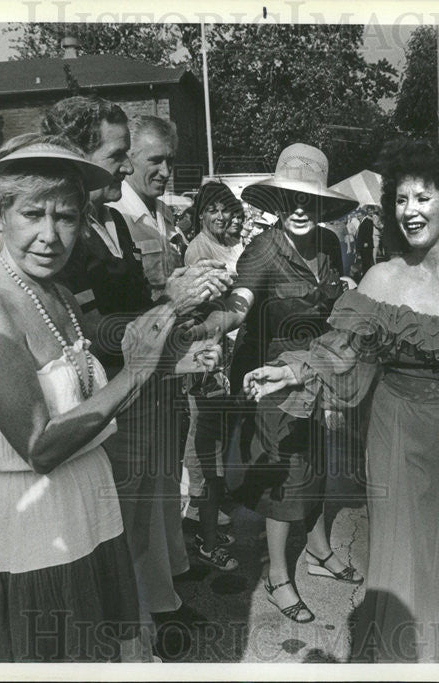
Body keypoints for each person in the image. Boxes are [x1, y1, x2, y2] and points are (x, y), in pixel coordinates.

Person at [243, 138, 439, 662]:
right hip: (395, 433)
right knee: (403, 559)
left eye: (423, 198)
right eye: (401, 200)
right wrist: (288, 371)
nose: (410, 211)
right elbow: (341, 351)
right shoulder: (382, 278)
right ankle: (409, 660)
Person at [0, 135, 193, 662]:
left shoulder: (54, 292)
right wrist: (137, 373)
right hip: (34, 528)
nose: (49, 235)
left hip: (87, 509)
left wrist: (170, 358)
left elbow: (90, 394)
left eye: (65, 217)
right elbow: (38, 446)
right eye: (31, 214)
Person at [41, 96, 230, 656]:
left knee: (148, 502)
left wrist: (173, 316)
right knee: (120, 516)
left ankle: (151, 607)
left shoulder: (112, 223)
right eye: (118, 155)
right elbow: (89, 328)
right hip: (109, 398)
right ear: (78, 157)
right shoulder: (65, 236)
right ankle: (134, 625)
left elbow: (128, 304)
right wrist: (169, 303)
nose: (125, 168)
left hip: (140, 386)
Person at [186, 143, 363, 624]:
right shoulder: (263, 249)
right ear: (277, 204)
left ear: (323, 204)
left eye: (311, 199)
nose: (301, 208)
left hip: (316, 370)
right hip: (269, 380)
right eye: (291, 198)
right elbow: (239, 303)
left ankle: (320, 551)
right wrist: (209, 326)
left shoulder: (331, 244)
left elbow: (338, 305)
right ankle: (278, 576)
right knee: (285, 475)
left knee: (320, 463)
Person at [181, 182, 247, 571]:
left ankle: (208, 525)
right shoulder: (198, 250)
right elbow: (196, 309)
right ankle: (205, 539)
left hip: (226, 352)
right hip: (206, 355)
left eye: (226, 209)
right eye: (214, 210)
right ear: (201, 214)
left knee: (217, 442)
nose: (221, 217)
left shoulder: (223, 245)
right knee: (205, 448)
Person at [109, 115, 187, 299]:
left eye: (170, 161)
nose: (166, 172)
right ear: (128, 158)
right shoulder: (115, 214)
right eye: (156, 160)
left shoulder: (164, 212)